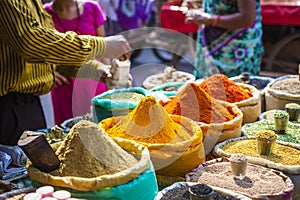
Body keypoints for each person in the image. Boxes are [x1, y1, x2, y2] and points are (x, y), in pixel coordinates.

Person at [0, 0, 131, 145]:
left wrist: (99, 70)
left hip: (29, 105)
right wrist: (102, 45)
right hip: (8, 107)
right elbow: (31, 43)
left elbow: (51, 56)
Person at [43, 0, 113, 125]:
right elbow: (38, 50)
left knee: (102, 127)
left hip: (95, 79)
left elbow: (104, 49)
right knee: (70, 132)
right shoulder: (44, 14)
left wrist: (109, 77)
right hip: (65, 87)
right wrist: (48, 71)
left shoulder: (92, 8)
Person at [184, 0, 264, 79]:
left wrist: (208, 18)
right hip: (209, 45)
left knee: (237, 88)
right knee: (205, 87)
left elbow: (246, 19)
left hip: (237, 50)